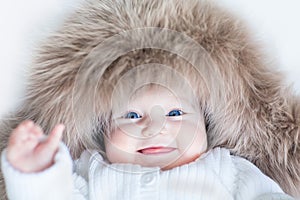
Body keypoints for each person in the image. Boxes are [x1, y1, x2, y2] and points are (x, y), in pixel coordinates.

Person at [1, 65, 294, 199]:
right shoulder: (91, 172)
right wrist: (36, 172)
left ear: (207, 125)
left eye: (176, 113)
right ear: (103, 132)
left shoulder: (228, 169)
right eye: (131, 115)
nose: (154, 127)